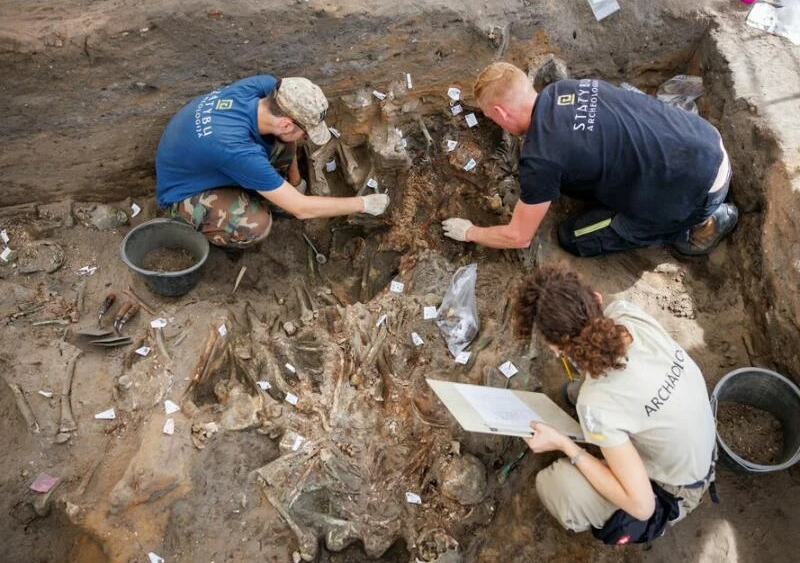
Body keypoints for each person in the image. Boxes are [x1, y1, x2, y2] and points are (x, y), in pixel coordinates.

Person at [442, 62, 737, 257]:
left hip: (698, 194)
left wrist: (470, 232)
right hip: (705, 142)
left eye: (493, 118)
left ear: (502, 113)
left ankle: (703, 225)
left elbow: (519, 237)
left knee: (573, 236)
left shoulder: (541, 159)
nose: (497, 124)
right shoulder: (564, 89)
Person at [514, 264, 716, 543]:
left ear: (556, 348)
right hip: (697, 445)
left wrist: (566, 446)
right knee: (585, 396)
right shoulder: (625, 313)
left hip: (679, 487)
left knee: (556, 485)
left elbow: (642, 507)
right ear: (596, 299)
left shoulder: (596, 404)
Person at [156, 75, 389, 248]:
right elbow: (302, 209)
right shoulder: (237, 150)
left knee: (283, 143)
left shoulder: (266, 88)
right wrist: (364, 204)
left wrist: (296, 182)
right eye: (305, 132)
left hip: (202, 160)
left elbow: (288, 139)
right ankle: (212, 229)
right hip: (183, 192)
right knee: (256, 224)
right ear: (287, 124)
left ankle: (273, 191)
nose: (306, 137)